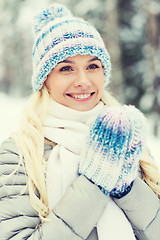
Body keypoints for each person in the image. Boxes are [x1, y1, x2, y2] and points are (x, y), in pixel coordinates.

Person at [0, 3, 160, 240]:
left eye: (92, 66)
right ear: (44, 80)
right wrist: (95, 183)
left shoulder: (124, 138)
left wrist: (126, 188)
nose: (83, 81)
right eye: (66, 68)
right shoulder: (18, 155)